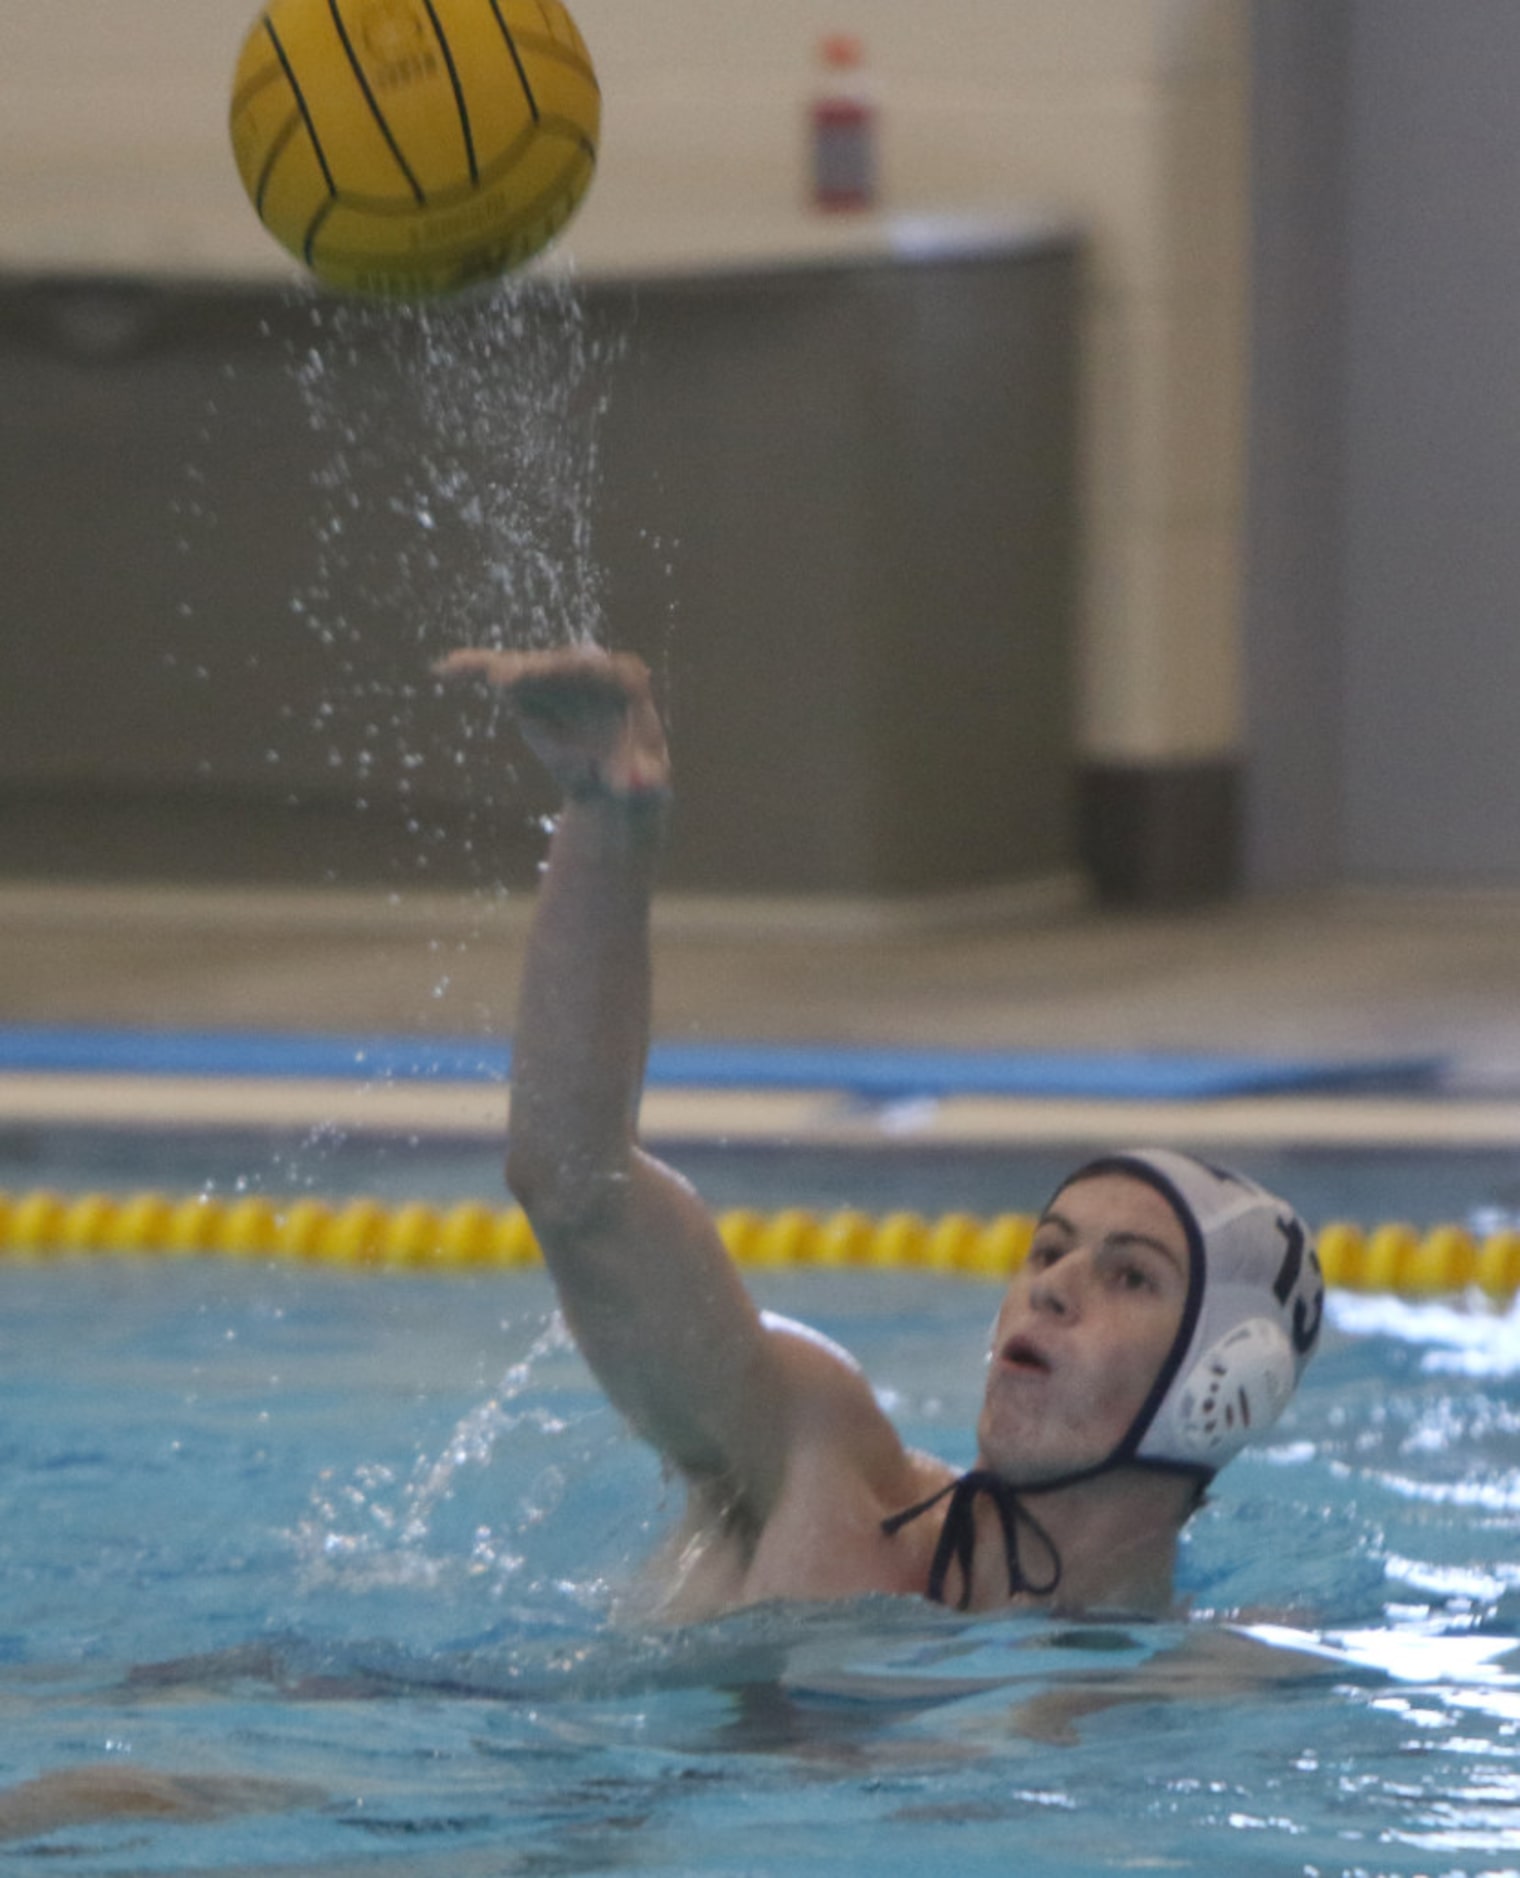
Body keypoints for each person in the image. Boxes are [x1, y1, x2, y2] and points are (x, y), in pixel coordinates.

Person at [439, 645, 1327, 1622]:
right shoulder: (819, 1469)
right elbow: (573, 1184)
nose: (1052, 1287)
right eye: (1048, 1250)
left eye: (1129, 1276)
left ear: (1223, 1384)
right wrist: (608, 817)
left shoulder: (1213, 1691)